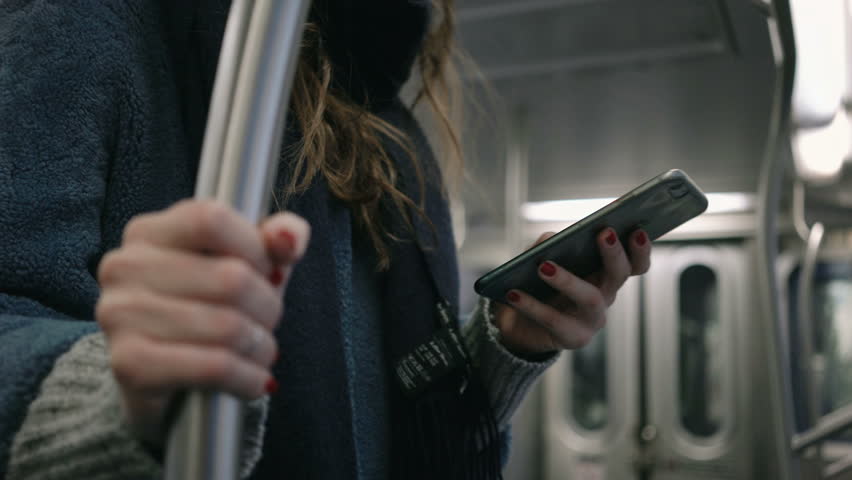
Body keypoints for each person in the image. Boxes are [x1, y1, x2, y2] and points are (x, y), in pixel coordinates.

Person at [0, 0, 651, 479]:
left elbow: (390, 421)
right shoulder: (89, 25)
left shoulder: (384, 119)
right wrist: (129, 398)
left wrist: (508, 345)